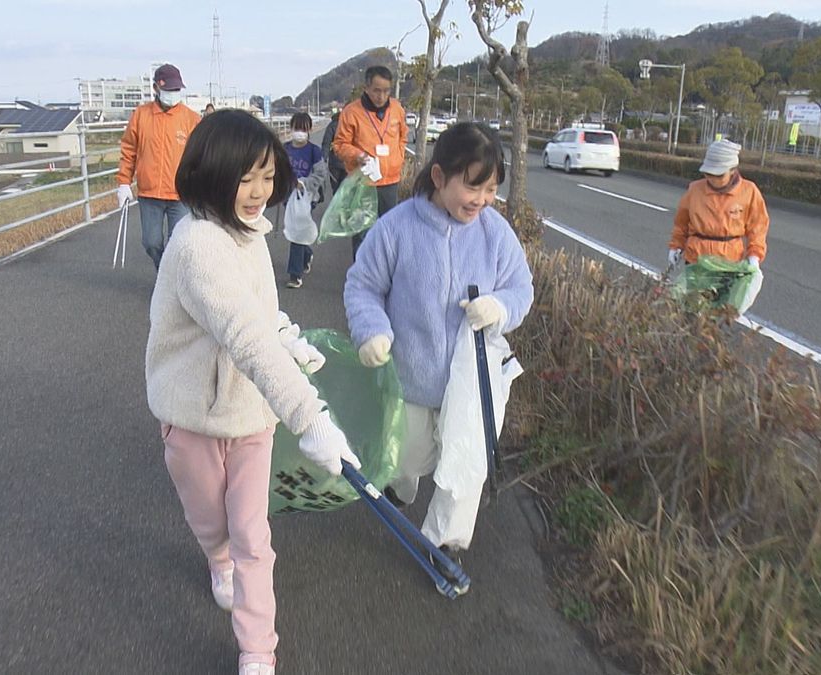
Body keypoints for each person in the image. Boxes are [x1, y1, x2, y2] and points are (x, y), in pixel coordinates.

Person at [147, 109, 360, 675]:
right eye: (245, 177)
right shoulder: (197, 244)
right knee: (212, 524)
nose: (259, 192)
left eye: (267, 176)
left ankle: (257, 650)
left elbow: (259, 318)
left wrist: (286, 338)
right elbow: (241, 334)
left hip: (250, 415)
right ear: (210, 173)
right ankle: (216, 557)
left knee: (252, 534)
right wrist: (311, 418)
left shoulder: (250, 234)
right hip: (192, 415)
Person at [344, 122, 533, 572]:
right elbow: (363, 286)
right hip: (409, 379)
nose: (482, 201)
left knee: (465, 465)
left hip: (473, 385)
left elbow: (521, 288)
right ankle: (400, 484)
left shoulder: (495, 233)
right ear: (438, 177)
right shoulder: (396, 228)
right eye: (473, 187)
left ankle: (446, 542)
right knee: (407, 458)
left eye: (490, 190)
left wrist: (499, 307)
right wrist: (371, 330)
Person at [117, 63, 202, 269]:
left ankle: (172, 285)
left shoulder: (191, 119)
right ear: (156, 88)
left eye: (176, 90)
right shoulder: (141, 115)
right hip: (149, 193)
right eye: (168, 89)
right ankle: (164, 272)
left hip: (180, 194)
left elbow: (200, 156)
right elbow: (129, 149)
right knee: (151, 242)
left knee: (179, 244)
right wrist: (123, 182)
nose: (173, 94)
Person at [332, 66, 408, 258]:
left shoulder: (397, 110)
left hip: (390, 181)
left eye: (386, 91)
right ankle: (361, 278)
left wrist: (398, 158)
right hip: (363, 181)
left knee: (390, 232)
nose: (382, 96)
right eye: (377, 90)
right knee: (363, 233)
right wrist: (357, 155)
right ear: (366, 88)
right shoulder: (351, 112)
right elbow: (340, 144)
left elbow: (403, 137)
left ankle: (387, 278)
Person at [668, 139, 769, 271]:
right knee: (694, 292)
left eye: (719, 175)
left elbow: (758, 226)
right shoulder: (695, 190)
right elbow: (681, 223)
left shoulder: (749, 191)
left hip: (730, 262)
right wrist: (676, 246)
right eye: (708, 174)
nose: (712, 179)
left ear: (732, 170)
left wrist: (754, 255)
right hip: (696, 259)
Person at [282, 112, 328, 289]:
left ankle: (295, 274)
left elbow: (320, 174)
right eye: (296, 128)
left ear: (309, 130)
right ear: (291, 128)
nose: (299, 132)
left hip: (307, 197)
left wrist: (304, 183)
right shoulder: (285, 149)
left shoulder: (314, 151)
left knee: (297, 233)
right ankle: (306, 254)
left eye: (303, 129)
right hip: (289, 197)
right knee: (294, 231)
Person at [320, 108, 347, 192]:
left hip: (334, 162)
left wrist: (323, 160)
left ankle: (337, 204)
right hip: (348, 163)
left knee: (336, 189)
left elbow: (326, 144)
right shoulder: (351, 124)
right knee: (347, 190)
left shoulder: (332, 125)